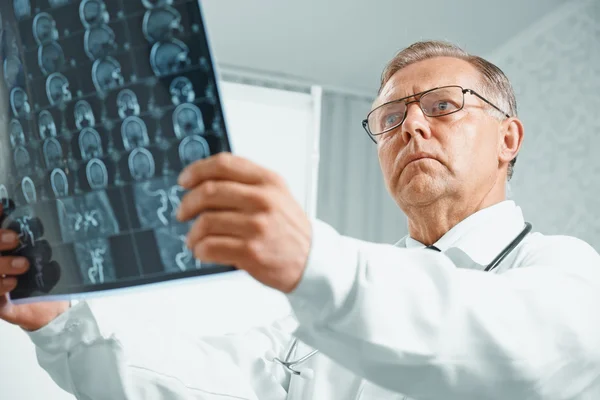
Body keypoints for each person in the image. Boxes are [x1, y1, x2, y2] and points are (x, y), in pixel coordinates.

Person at [2, 40, 600, 399]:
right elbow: (207, 384)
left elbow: (506, 347)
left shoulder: (567, 275)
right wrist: (59, 322)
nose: (412, 126)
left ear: (508, 138)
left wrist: (314, 256)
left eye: (443, 106)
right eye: (390, 118)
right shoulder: (314, 329)